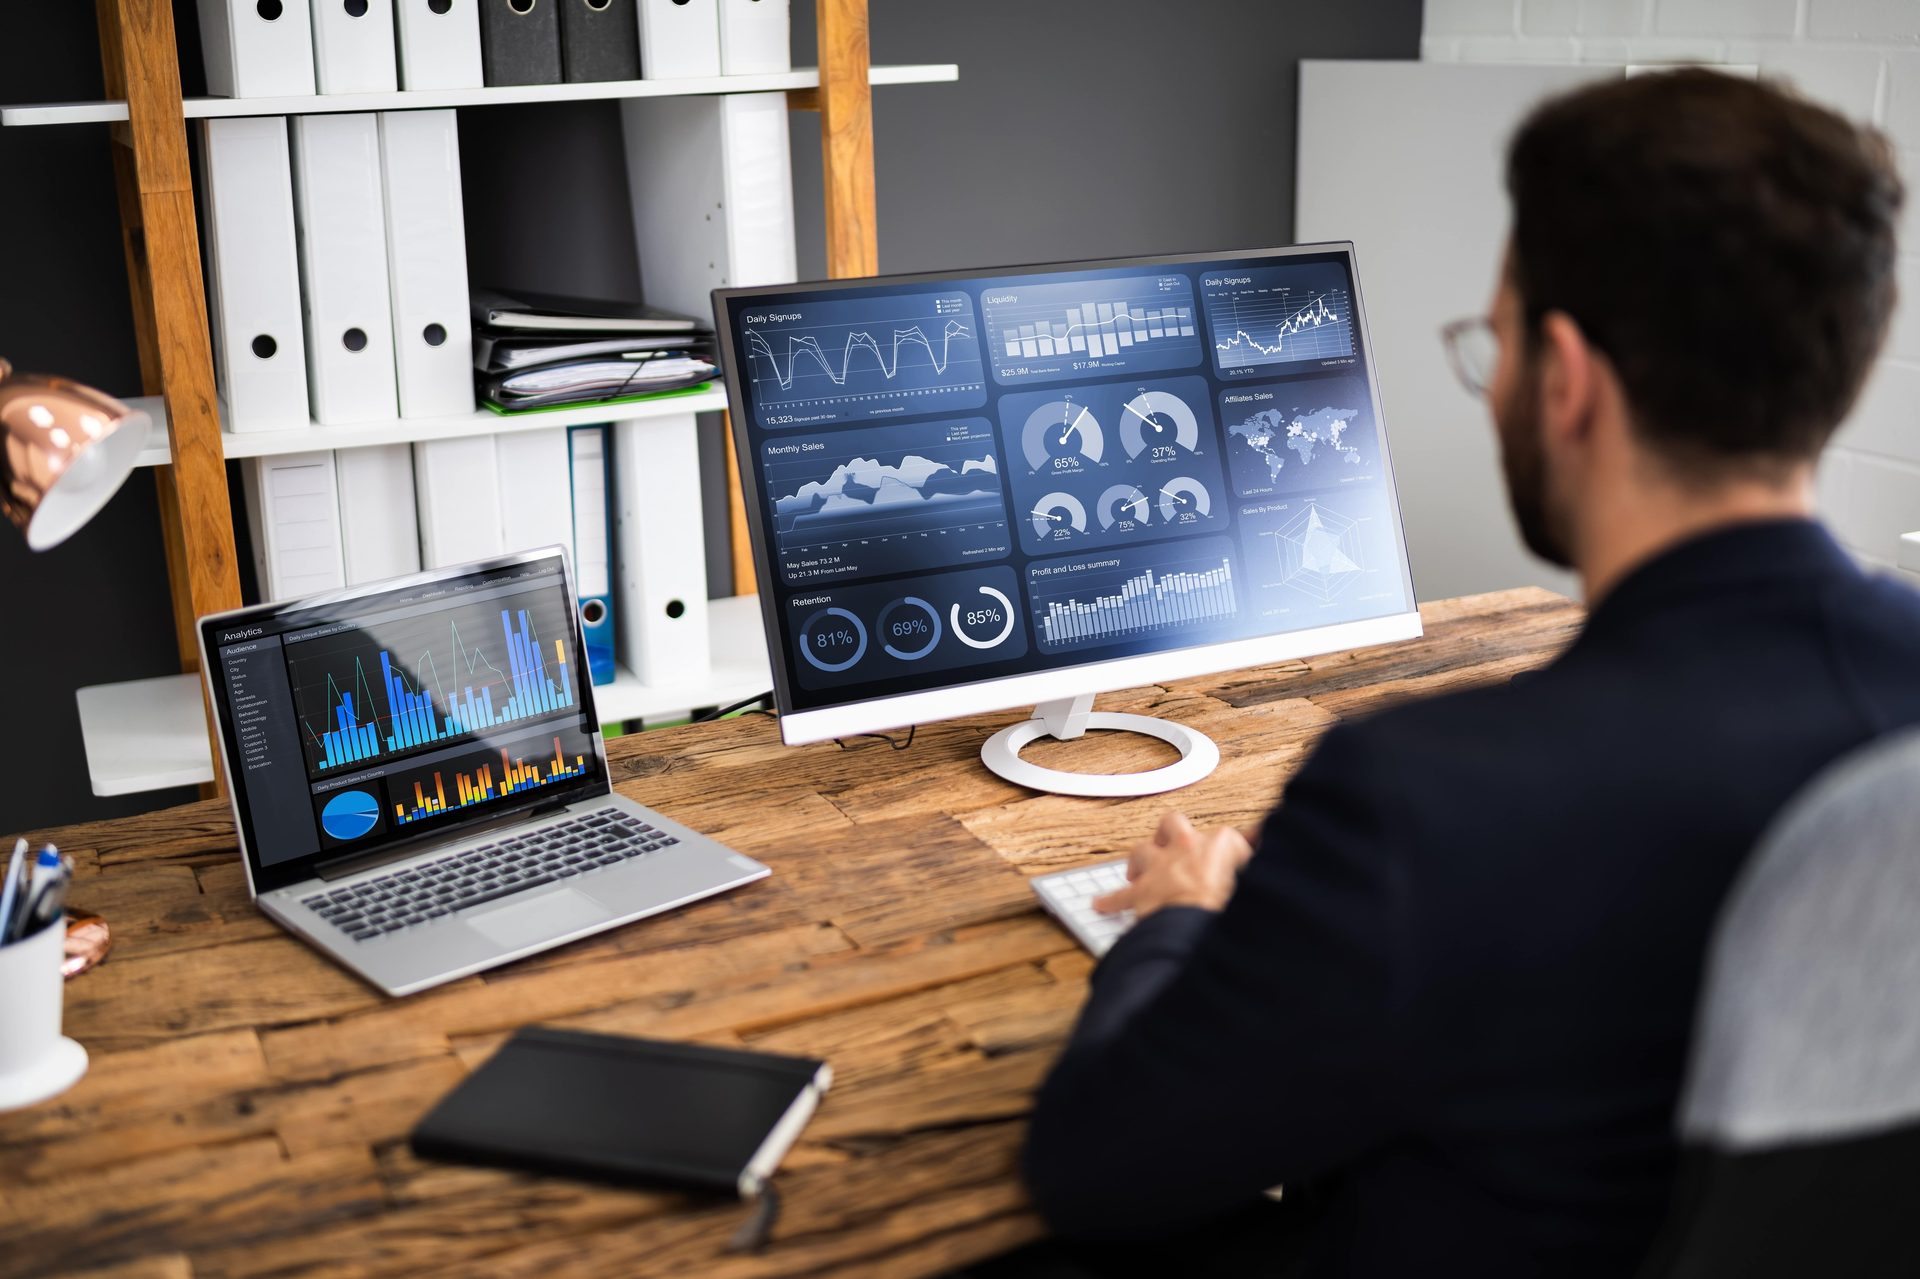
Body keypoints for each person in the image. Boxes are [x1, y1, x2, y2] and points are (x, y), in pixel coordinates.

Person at [1016, 69, 1919, 1278]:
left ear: (1567, 377)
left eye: (1493, 342)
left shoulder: (1421, 799)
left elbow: (1095, 1169)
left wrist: (1176, 929)